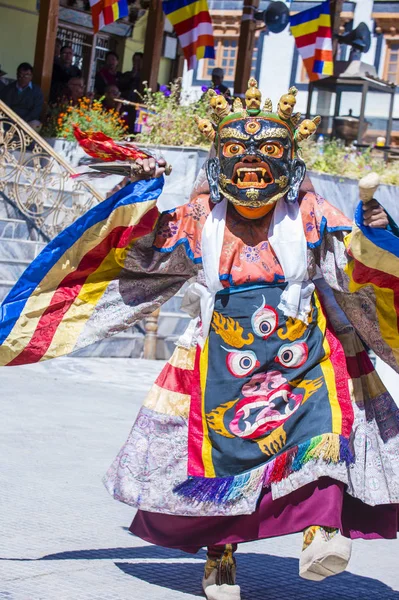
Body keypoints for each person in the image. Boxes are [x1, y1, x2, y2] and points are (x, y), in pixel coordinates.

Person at [1, 80, 399, 600]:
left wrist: (378, 233)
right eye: (236, 154)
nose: (251, 168)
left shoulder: (311, 212)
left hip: (303, 347)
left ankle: (319, 533)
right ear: (218, 159)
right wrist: (137, 195)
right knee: (220, 458)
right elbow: (142, 255)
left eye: (268, 155)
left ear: (289, 162)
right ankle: (220, 559)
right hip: (222, 355)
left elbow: (354, 263)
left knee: (321, 431)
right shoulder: (198, 215)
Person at [0, 62, 43, 129]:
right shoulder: (9, 89)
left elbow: (36, 110)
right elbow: (6, 108)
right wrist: (14, 120)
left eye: (27, 75)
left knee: (36, 124)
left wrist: (23, 121)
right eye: (21, 75)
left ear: (31, 76)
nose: (23, 78)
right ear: (17, 75)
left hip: (28, 121)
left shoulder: (37, 91)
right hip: (10, 120)